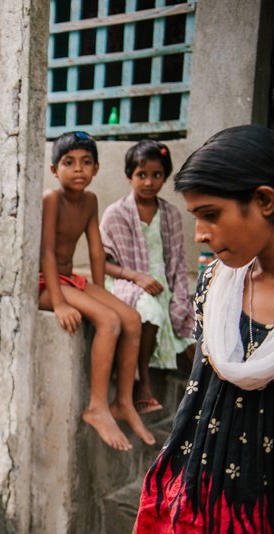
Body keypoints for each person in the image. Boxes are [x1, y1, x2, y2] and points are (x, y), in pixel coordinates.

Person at [135, 125, 274, 532]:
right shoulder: (215, 284)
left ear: (264, 200)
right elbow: (200, 397)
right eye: (196, 218)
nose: (200, 234)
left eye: (211, 215)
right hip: (200, 493)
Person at [39, 131, 154, 451]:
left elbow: (96, 252)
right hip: (45, 283)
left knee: (130, 317)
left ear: (97, 169)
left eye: (86, 163)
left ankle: (123, 402)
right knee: (109, 321)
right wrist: (60, 304)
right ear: (54, 170)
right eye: (69, 162)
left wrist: (101, 292)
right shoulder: (52, 198)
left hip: (69, 278)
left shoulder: (89, 200)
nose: (78, 169)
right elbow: (46, 252)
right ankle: (96, 407)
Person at [99, 140, 196, 415]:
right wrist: (136, 277)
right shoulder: (115, 213)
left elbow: (177, 263)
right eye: (142, 175)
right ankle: (140, 383)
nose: (149, 182)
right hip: (125, 281)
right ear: (129, 176)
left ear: (165, 177)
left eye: (157, 175)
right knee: (151, 310)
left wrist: (178, 298)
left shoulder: (171, 215)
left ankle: (199, 403)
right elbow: (103, 263)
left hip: (161, 282)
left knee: (188, 330)